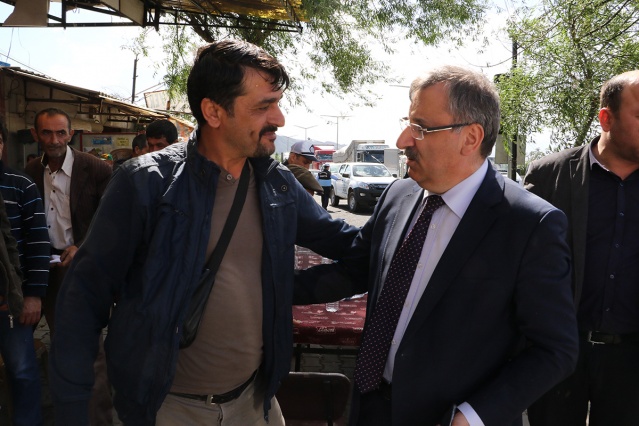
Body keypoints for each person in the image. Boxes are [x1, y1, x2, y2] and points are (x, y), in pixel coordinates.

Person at [48, 39, 359, 426]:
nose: (279, 119)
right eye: (263, 106)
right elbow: (83, 300)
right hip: (166, 408)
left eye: (277, 103)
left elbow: (349, 246)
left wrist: (290, 288)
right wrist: (78, 407)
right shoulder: (146, 183)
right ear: (213, 111)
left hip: (254, 403)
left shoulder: (277, 184)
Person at [295, 65, 579, 426]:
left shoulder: (529, 224)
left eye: (421, 128)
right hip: (370, 405)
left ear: (470, 138)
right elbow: (355, 270)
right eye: (408, 123)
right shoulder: (398, 194)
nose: (402, 140)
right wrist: (261, 290)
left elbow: (555, 350)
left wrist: (472, 416)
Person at [524, 70, 639, 426]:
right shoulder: (548, 175)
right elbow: (517, 266)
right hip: (558, 354)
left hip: (631, 363)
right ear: (606, 118)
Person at [25, 107, 114, 425]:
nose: (54, 140)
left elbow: (111, 218)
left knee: (88, 347)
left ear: (71, 134)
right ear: (35, 135)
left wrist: (83, 246)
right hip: (43, 266)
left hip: (81, 267)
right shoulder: (31, 170)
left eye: (60, 132)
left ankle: (97, 416)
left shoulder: (95, 168)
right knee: (59, 342)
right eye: (47, 133)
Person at [0, 118, 49, 425]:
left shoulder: (20, 185)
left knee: (22, 372)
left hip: (12, 302)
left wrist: (33, 295)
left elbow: (38, 243)